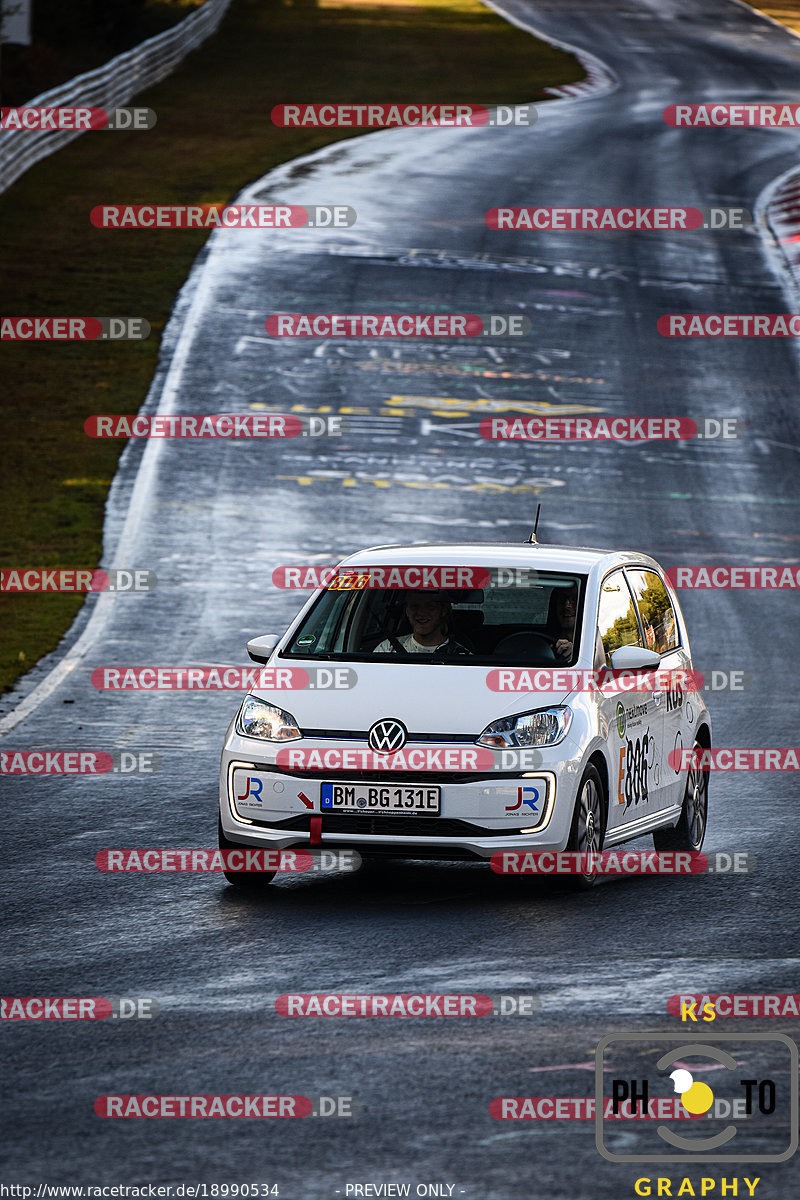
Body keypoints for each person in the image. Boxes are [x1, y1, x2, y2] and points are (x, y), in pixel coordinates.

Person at [373, 590, 471, 655]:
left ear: (443, 611)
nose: (421, 613)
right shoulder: (386, 649)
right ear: (407, 611)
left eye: (430, 607)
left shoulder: (461, 655)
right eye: (414, 606)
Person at [553, 583, 578, 661]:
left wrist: (576, 654)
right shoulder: (543, 644)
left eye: (574, 599)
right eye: (562, 600)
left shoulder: (591, 646)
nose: (567, 605)